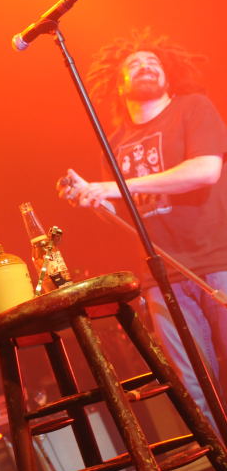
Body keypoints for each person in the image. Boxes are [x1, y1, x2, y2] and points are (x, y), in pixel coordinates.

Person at [58, 29, 227, 429]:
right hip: (162, 278)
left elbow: (206, 170)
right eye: (134, 64)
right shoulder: (114, 142)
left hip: (217, 259)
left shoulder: (192, 108)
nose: (146, 66)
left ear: (168, 75)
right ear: (119, 85)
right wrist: (90, 197)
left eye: (154, 62)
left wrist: (110, 188)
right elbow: (121, 212)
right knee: (194, 389)